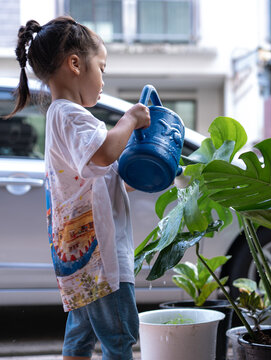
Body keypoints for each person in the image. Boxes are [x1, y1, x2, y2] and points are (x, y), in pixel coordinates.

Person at [6, 16, 151, 360]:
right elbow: (102, 154)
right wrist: (129, 119)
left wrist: (141, 173)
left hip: (81, 259)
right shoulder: (70, 115)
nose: (103, 79)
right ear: (75, 64)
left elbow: (105, 174)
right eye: (101, 68)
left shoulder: (63, 118)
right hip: (99, 257)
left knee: (80, 338)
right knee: (119, 337)